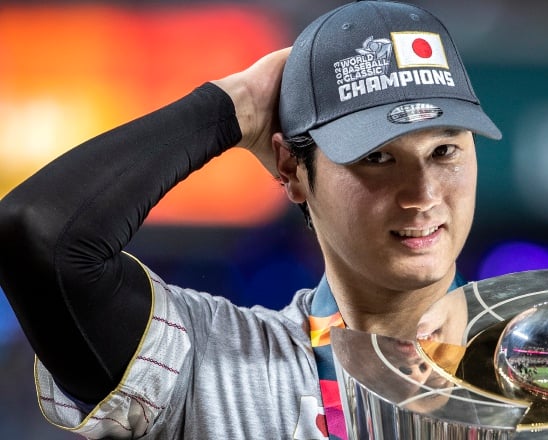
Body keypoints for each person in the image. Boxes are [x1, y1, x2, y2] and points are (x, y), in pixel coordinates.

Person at [0, 0, 501, 438]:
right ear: (293, 169)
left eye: (443, 151)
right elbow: (41, 234)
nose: (423, 195)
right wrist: (234, 107)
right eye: (377, 158)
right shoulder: (210, 366)